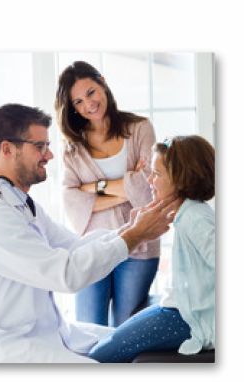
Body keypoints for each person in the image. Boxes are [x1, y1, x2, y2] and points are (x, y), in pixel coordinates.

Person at [0, 103, 176, 363]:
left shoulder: (18, 201)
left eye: (47, 145)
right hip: (14, 346)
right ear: (7, 149)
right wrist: (134, 236)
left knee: (123, 340)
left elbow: (74, 247)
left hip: (51, 333)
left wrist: (130, 229)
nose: (49, 155)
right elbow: (65, 273)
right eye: (39, 146)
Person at [88, 135, 215, 362]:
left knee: (100, 356)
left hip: (185, 318)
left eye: (156, 174)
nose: (149, 181)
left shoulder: (195, 219)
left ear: (181, 179)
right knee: (105, 344)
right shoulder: (188, 214)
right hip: (176, 309)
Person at [55, 61, 159, 327]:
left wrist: (94, 188)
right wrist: (128, 188)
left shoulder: (140, 129)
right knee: (89, 329)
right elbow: (71, 199)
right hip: (93, 246)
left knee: (126, 330)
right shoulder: (73, 148)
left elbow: (150, 189)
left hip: (139, 245)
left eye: (91, 92)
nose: (88, 105)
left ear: (102, 81)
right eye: (78, 102)